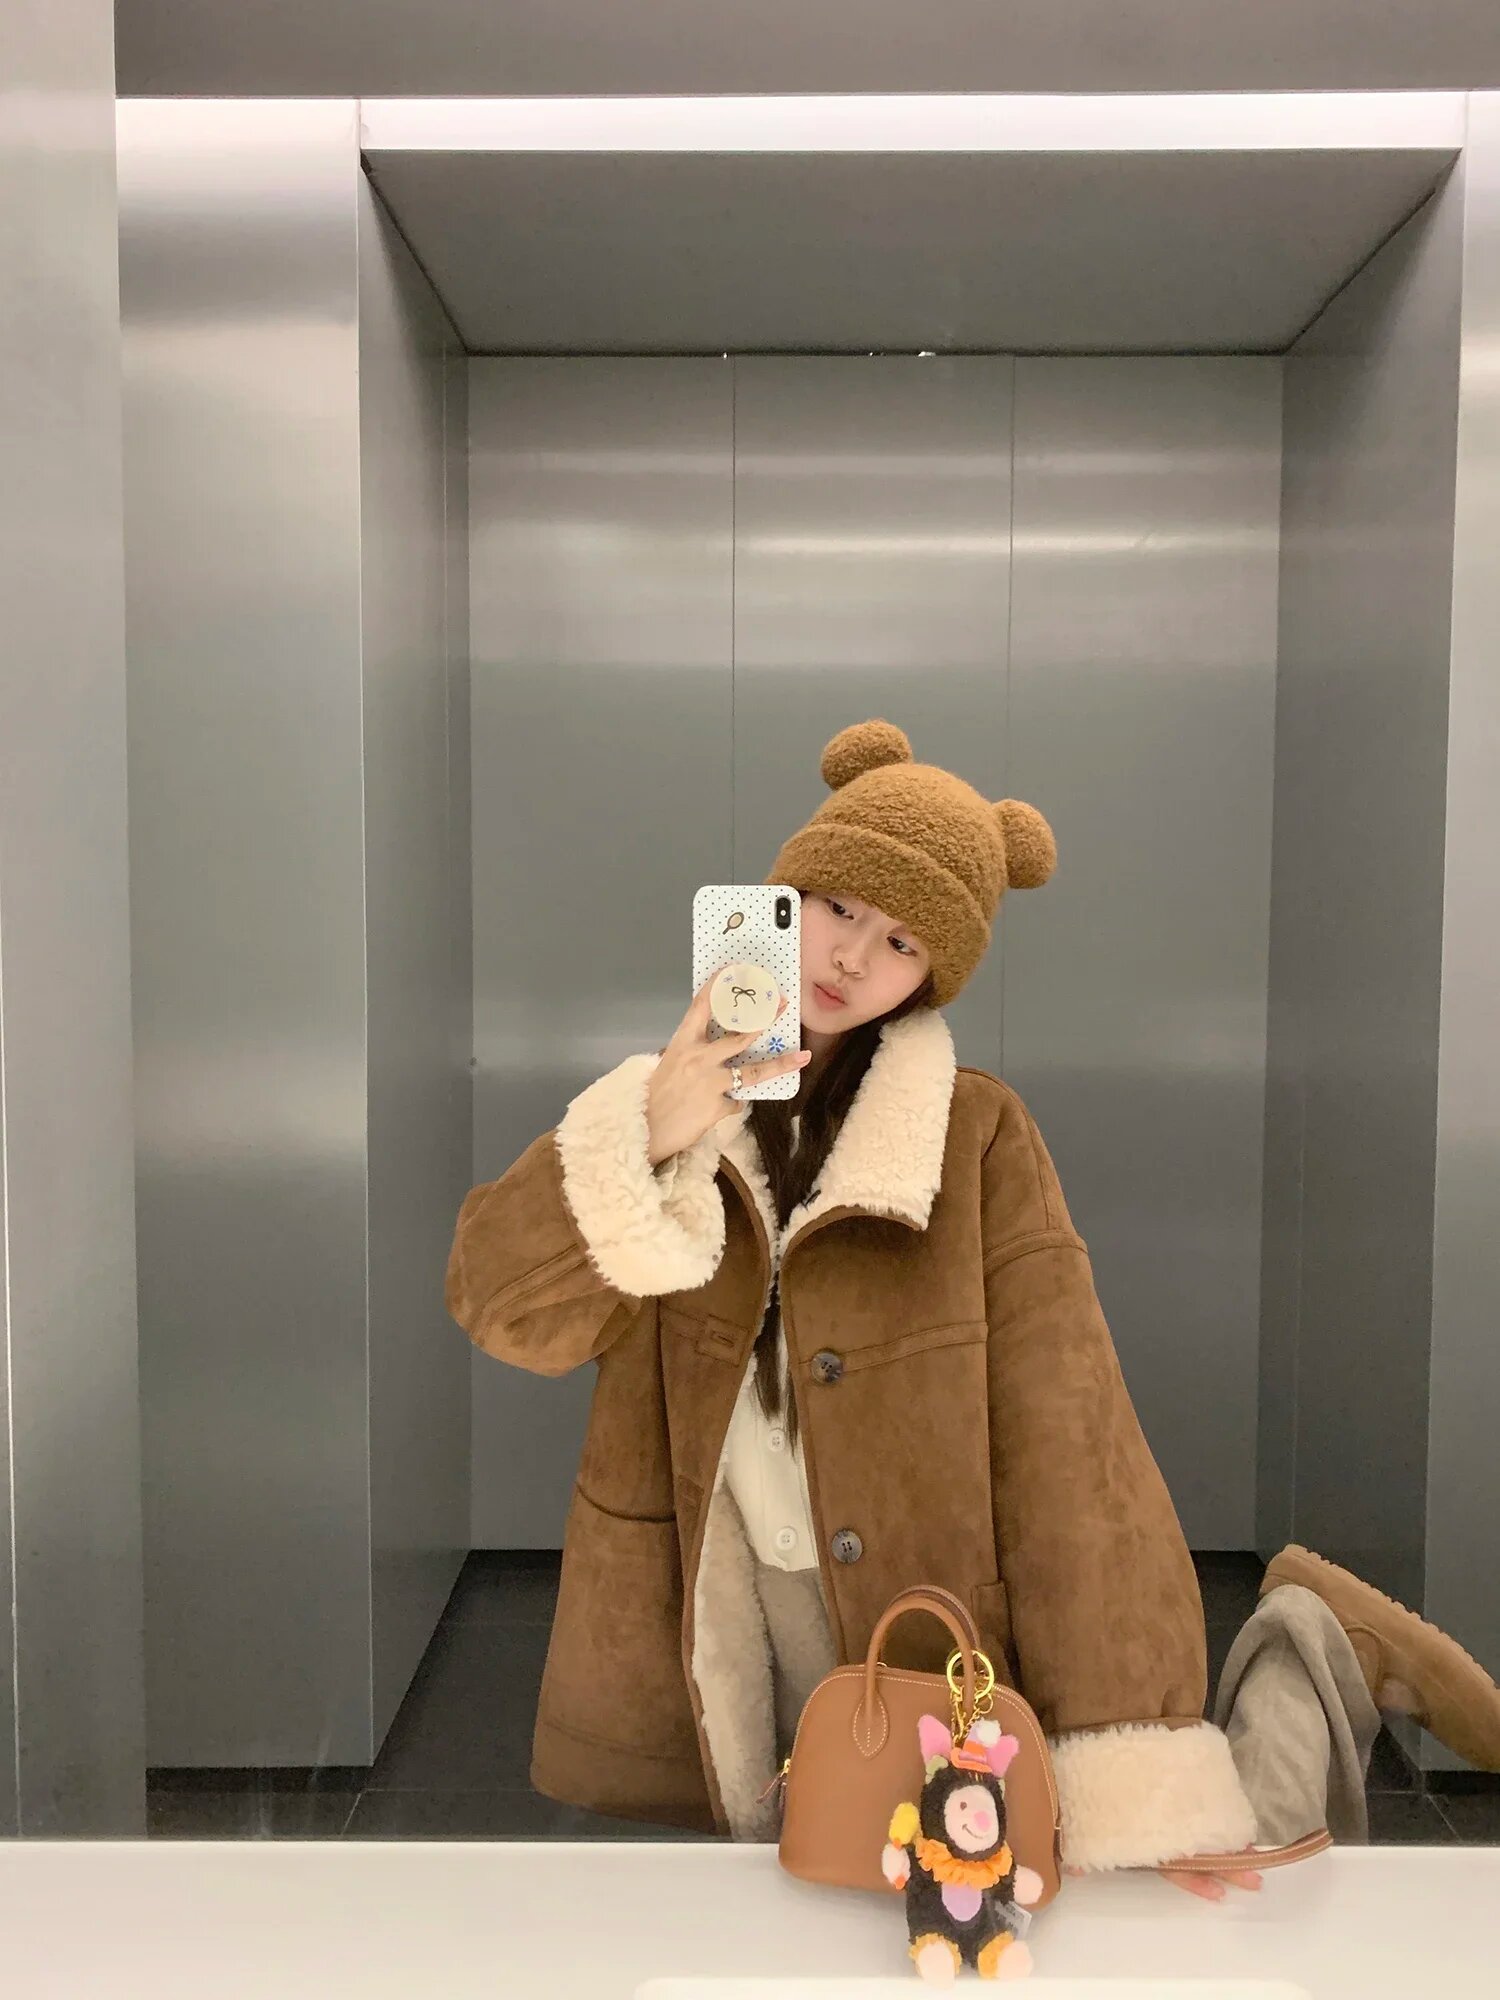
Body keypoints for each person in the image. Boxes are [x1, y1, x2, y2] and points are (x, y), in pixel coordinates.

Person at [444, 717, 1500, 1904]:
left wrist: (1136, 1759)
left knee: (1187, 1880)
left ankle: (1309, 1652)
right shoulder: (666, 1113)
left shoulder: (978, 1137)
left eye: (901, 940)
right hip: (733, 1612)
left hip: (925, 1620)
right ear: (783, 897)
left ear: (930, 974)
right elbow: (497, 1307)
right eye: (839, 906)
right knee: (815, 1897)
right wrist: (649, 1132)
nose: (852, 956)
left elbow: (1075, 1444)